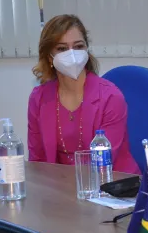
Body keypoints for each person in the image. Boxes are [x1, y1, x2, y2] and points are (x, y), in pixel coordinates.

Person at [27, 15, 140, 174]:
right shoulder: (38, 98)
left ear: (87, 50)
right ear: (49, 57)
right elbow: (37, 161)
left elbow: (103, 163)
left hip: (111, 182)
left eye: (78, 46)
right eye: (62, 49)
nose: (72, 54)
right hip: (59, 184)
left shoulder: (110, 97)